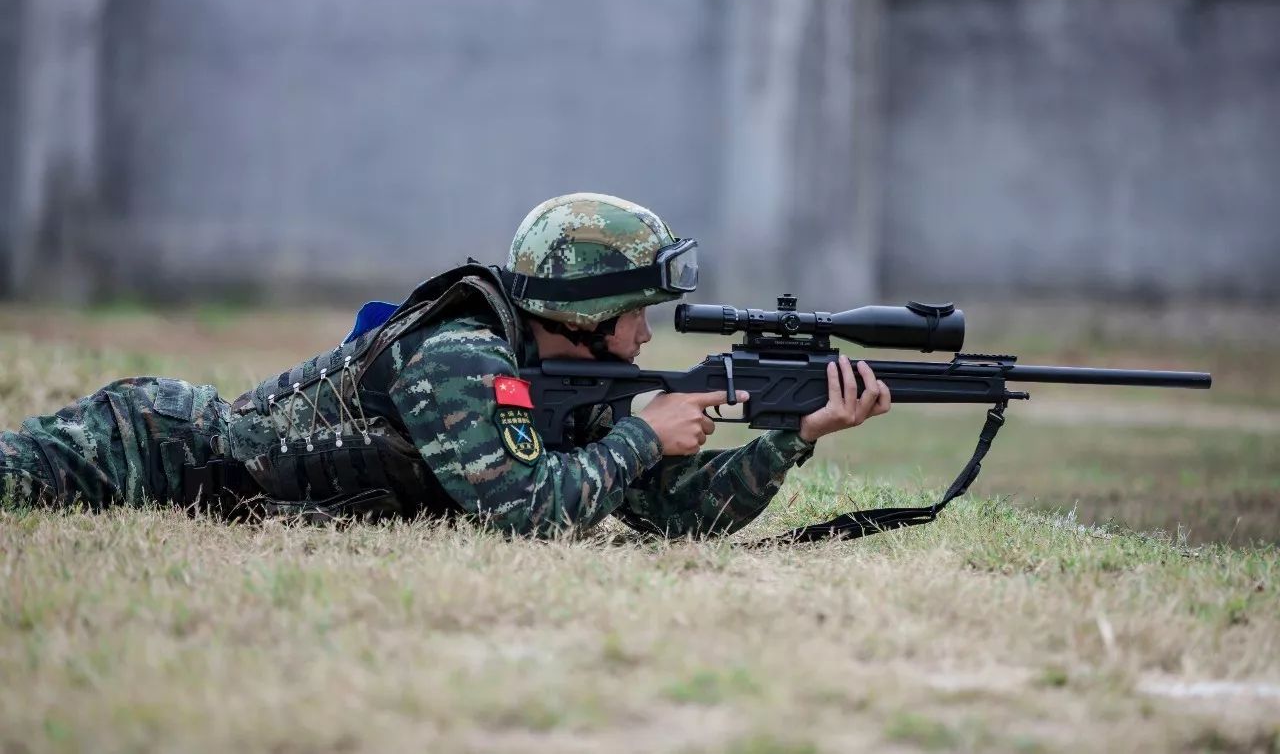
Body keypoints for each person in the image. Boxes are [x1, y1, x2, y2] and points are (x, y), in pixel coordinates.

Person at [0, 193, 891, 537]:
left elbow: (676, 519)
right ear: (584, 315)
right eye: (635, 314)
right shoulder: (464, 355)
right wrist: (641, 439)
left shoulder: (570, 380)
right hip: (148, 448)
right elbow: (526, 514)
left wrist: (794, 436)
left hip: (200, 469)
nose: (648, 337)